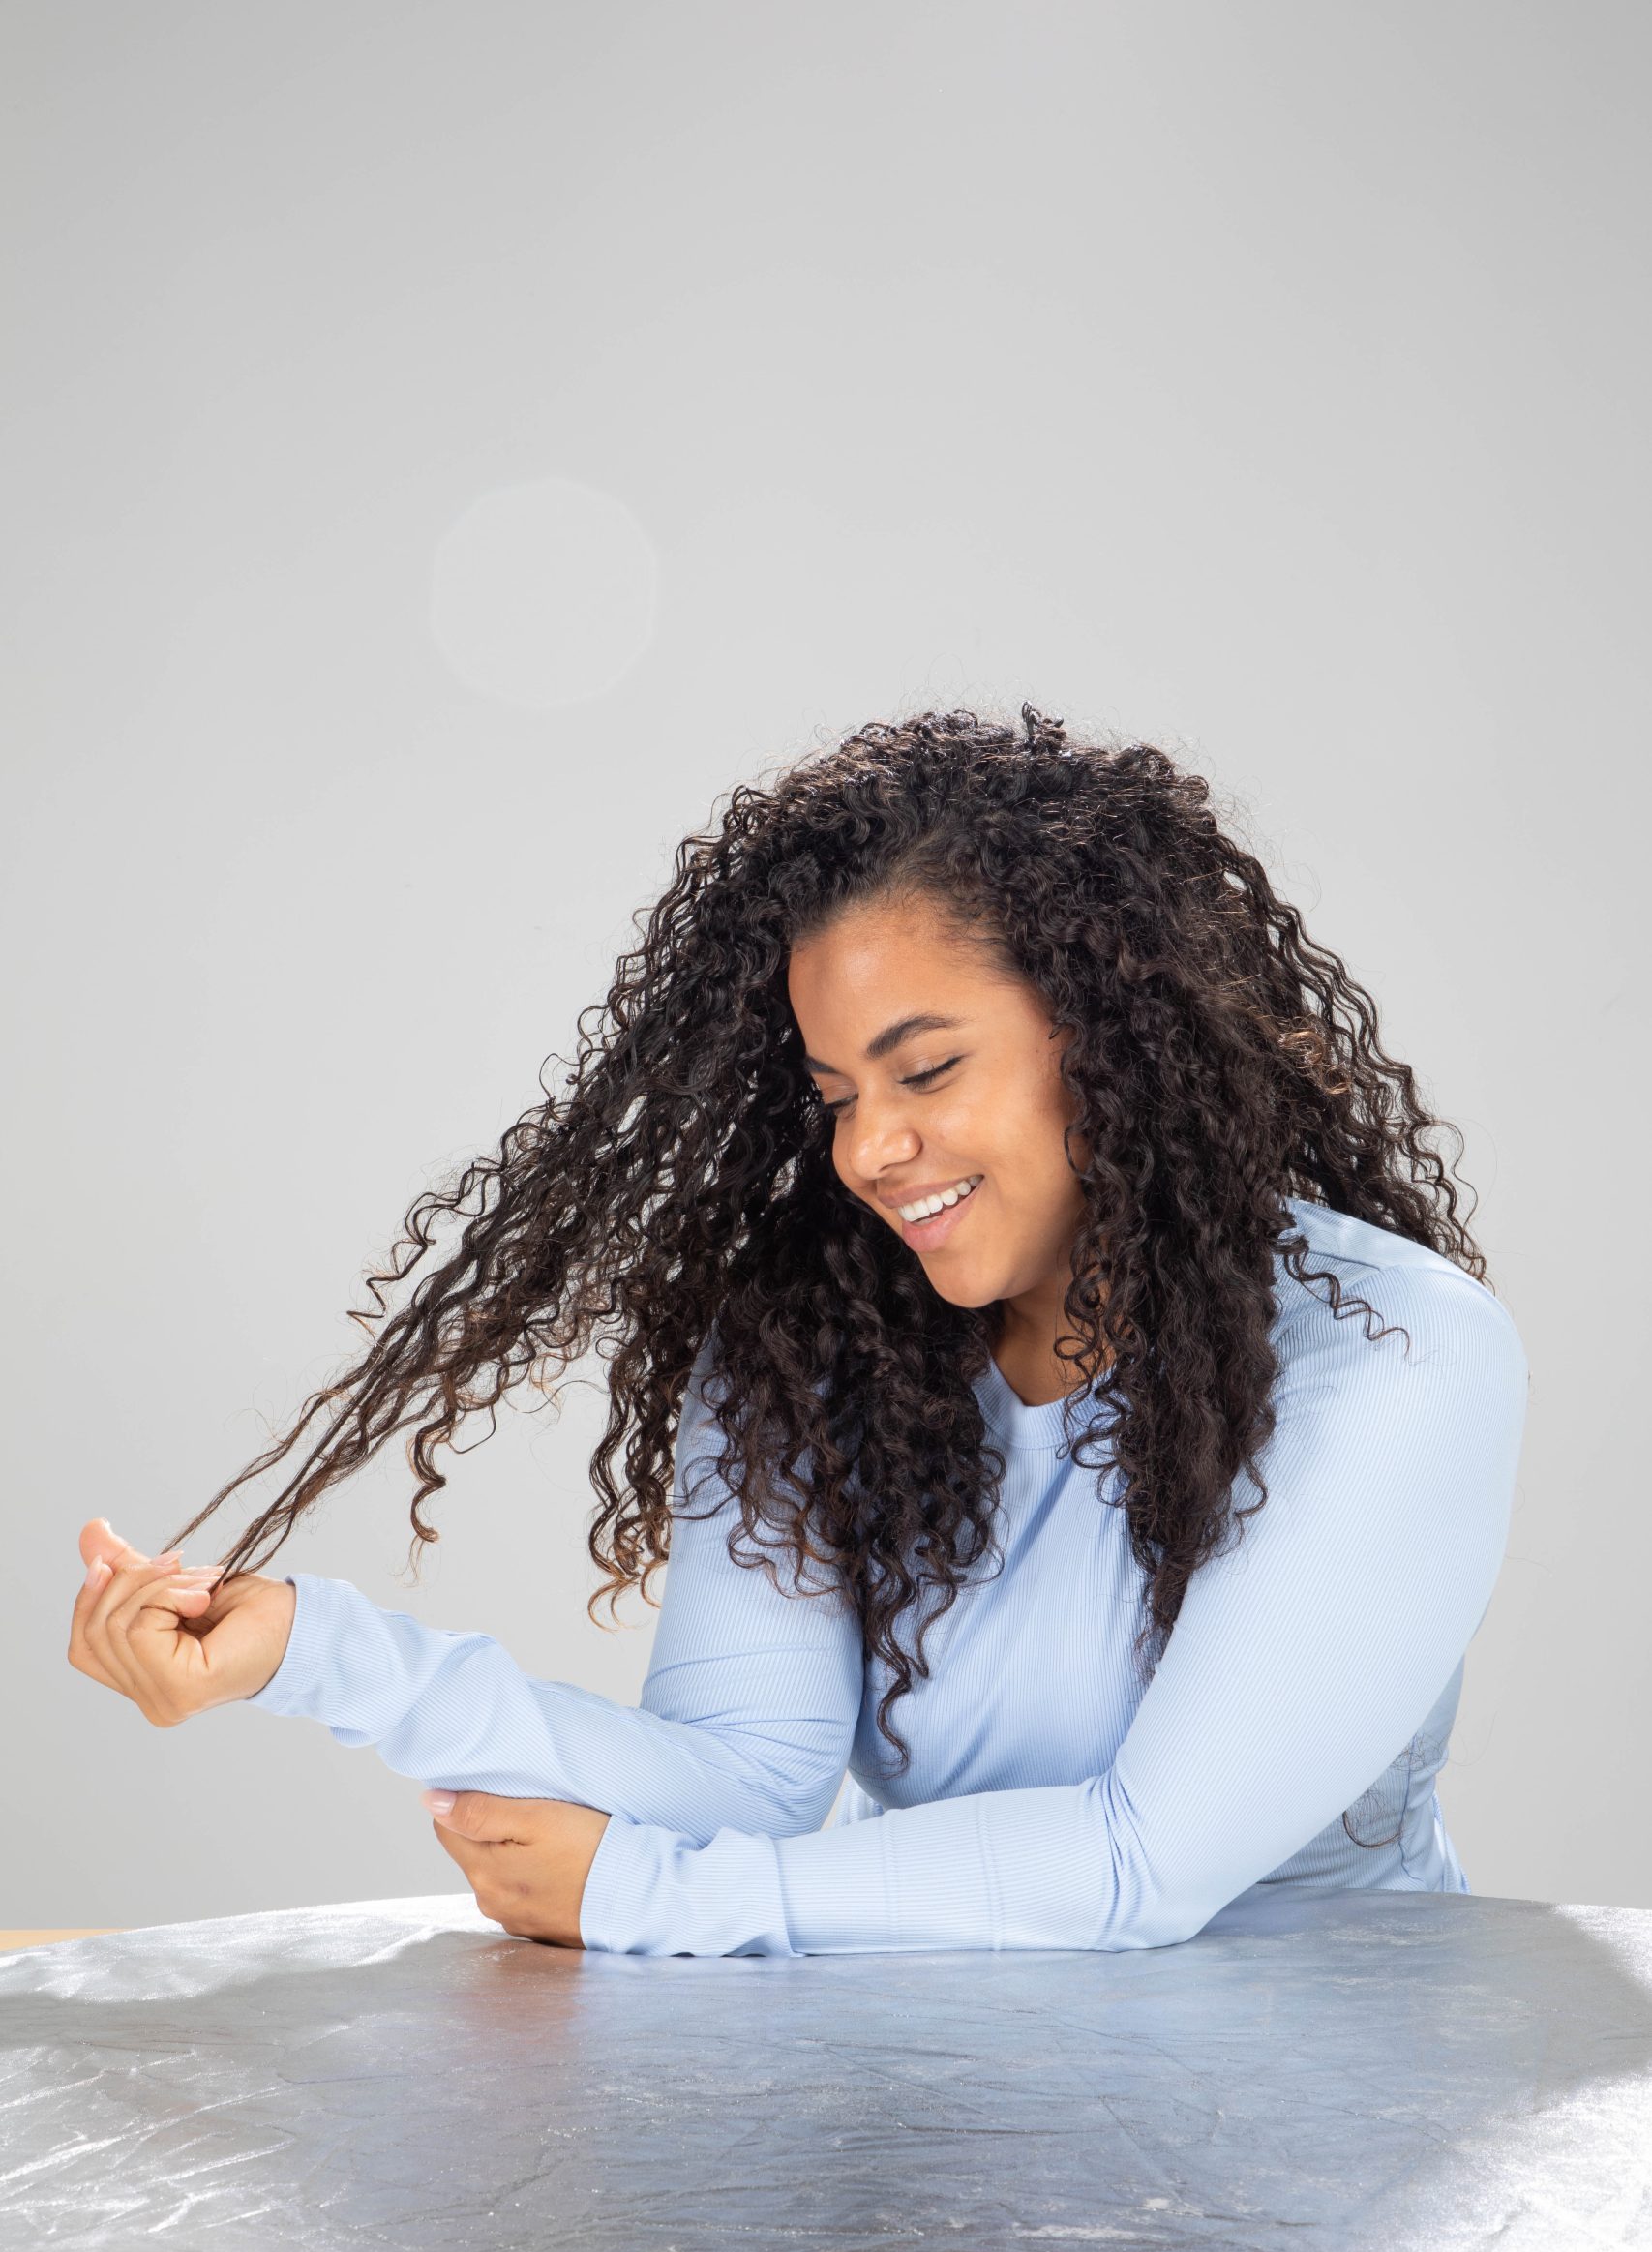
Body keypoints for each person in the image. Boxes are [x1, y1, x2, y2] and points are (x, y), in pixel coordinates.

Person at [67, 706, 1528, 1958]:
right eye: (835, 1098)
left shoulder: (1390, 1355)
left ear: (1116, 1035)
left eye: (927, 1070)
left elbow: (1143, 1862)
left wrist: (647, 1895)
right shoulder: (826, 1349)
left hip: (1326, 2110)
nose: (871, 1150)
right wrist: (316, 1652)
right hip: (960, 2104)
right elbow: (746, 1777)